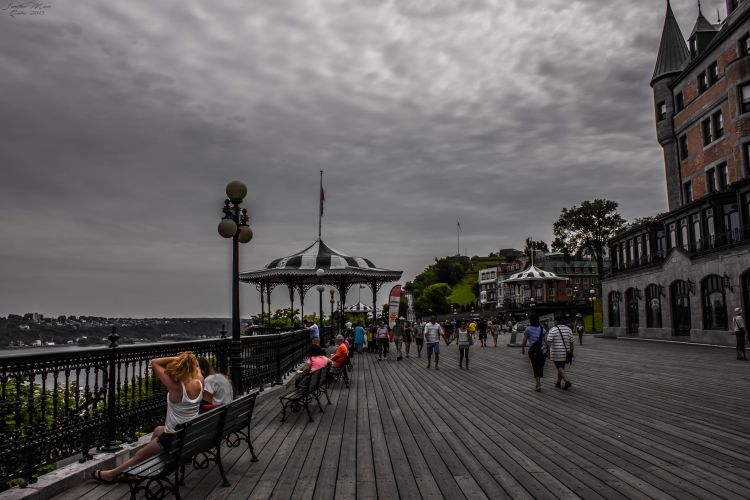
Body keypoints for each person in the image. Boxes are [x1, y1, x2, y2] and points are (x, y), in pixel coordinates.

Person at [92, 352, 203, 483]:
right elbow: (196, 365)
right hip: (190, 433)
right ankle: (138, 468)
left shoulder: (176, 387)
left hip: (173, 438)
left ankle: (112, 474)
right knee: (157, 430)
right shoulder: (199, 381)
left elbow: (154, 362)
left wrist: (178, 358)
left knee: (138, 455)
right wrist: (189, 359)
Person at [521, 314, 547, 392]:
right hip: (543, 351)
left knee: (535, 367)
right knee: (540, 366)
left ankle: (538, 385)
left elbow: (524, 341)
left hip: (533, 351)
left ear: (530, 321)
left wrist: (523, 348)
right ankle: (538, 382)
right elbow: (546, 341)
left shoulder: (528, 329)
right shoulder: (543, 329)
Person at [547, 316, 574, 389]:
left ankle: (567, 381)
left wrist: (548, 351)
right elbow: (571, 342)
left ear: (556, 321)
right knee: (561, 367)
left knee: (559, 367)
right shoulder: (568, 329)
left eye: (554, 321)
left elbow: (548, 341)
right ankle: (558, 382)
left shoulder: (553, 329)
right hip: (566, 352)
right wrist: (571, 352)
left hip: (556, 352)